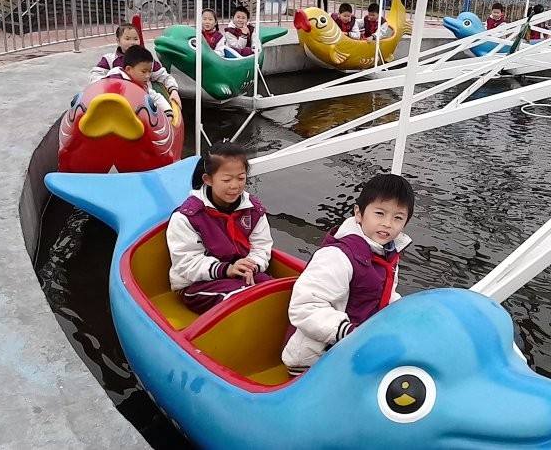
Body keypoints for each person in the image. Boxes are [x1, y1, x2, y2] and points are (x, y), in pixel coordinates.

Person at [281, 174, 414, 375]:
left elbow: (386, 294)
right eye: (380, 213)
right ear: (358, 214)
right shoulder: (337, 256)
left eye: (398, 218)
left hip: (356, 349)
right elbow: (304, 307)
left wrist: (404, 313)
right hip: (315, 359)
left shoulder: (388, 254)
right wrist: (349, 332)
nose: (388, 223)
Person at [166, 141, 274, 314]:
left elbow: (262, 246)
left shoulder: (254, 210)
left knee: (273, 289)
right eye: (226, 180)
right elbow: (186, 263)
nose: (234, 186)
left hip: (240, 273)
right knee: (241, 300)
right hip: (198, 283)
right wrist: (227, 269)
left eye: (241, 178)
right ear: (208, 180)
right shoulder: (187, 217)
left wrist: (250, 266)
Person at [89, 22, 181, 107]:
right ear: (118, 41)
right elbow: (95, 75)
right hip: (116, 101)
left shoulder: (146, 60)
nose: (132, 42)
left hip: (143, 101)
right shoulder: (109, 59)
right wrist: (107, 85)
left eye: (136, 39)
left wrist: (173, 91)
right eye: (127, 39)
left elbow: (164, 76)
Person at [105, 45, 174, 118]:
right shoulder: (115, 77)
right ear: (128, 69)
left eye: (150, 71)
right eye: (143, 72)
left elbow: (156, 97)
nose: (148, 76)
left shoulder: (142, 85)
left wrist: (168, 112)